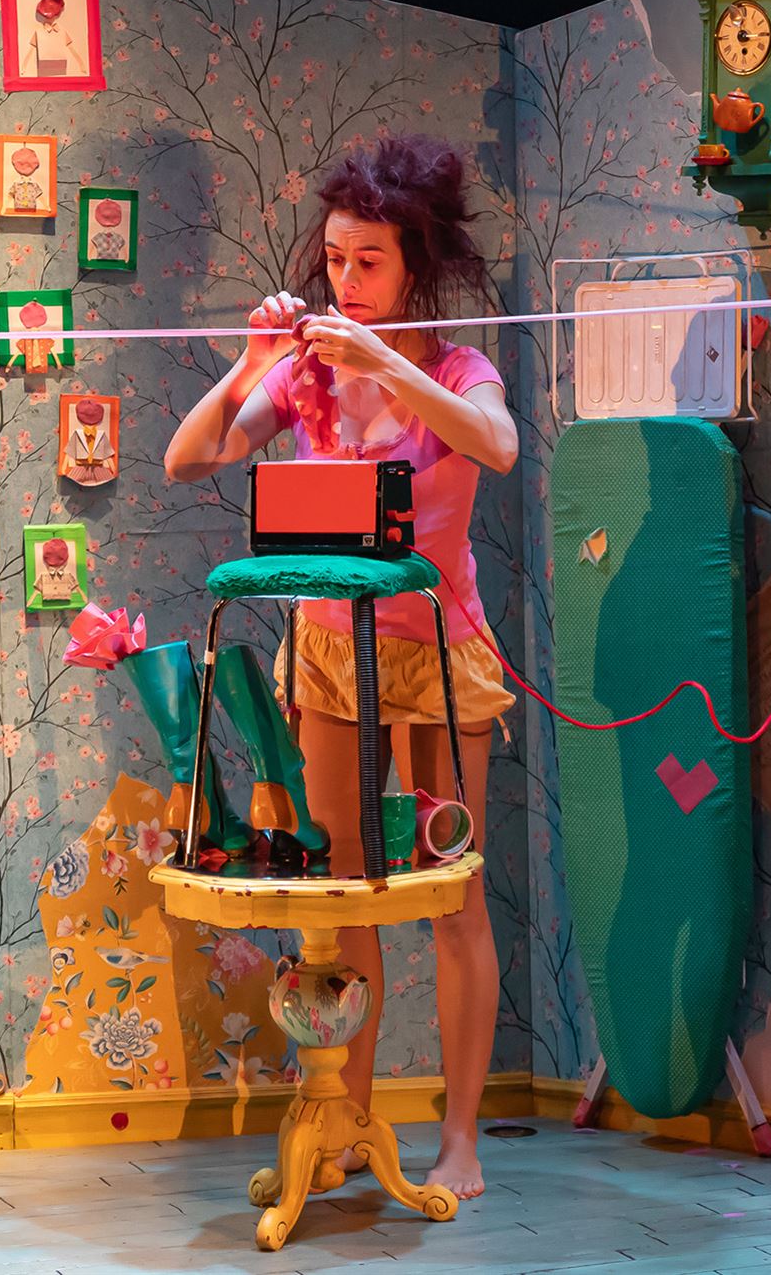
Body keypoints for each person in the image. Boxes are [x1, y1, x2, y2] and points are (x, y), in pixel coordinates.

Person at [162, 135, 516, 1200]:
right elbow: (189, 457)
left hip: (438, 656)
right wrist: (248, 365)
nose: (346, 280)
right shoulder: (307, 371)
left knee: (450, 893)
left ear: (414, 265)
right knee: (343, 893)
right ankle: (347, 1121)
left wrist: (388, 364)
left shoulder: (455, 370)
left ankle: (460, 1137)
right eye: (333, 260)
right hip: (328, 654)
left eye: (368, 262)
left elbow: (496, 444)